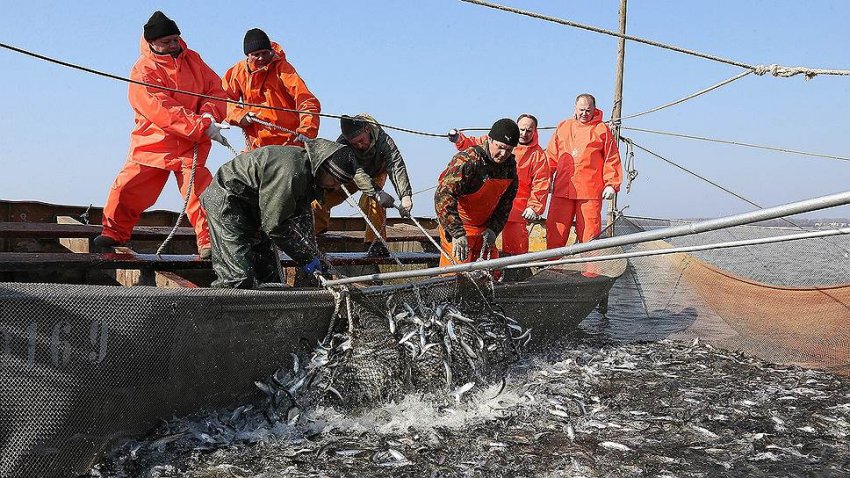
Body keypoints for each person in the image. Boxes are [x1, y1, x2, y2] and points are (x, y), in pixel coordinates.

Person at [93, 11, 228, 259]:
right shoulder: (142, 70)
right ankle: (113, 233)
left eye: (176, 39)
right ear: (152, 43)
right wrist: (200, 124)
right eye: (167, 41)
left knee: (201, 192)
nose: (174, 45)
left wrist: (209, 115)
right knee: (127, 188)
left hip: (191, 144)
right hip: (154, 142)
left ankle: (209, 242)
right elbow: (160, 108)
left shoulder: (194, 60)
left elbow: (215, 91)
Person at [201, 139, 357, 289]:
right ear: (324, 168)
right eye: (336, 181)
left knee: (270, 276)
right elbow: (274, 226)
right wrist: (305, 258)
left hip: (256, 209)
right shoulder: (291, 173)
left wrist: (314, 256)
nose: (336, 188)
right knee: (239, 277)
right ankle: (221, 311)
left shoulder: (312, 179)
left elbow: (302, 221)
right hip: (228, 201)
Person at [448, 114, 549, 257]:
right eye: (521, 129)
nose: (524, 134)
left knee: (516, 251)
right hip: (489, 207)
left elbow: (541, 182)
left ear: (535, 131)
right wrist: (459, 139)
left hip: (517, 210)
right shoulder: (497, 138)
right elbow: (475, 144)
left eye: (529, 131)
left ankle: (514, 276)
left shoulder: (538, 155)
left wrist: (534, 207)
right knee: (477, 249)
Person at [312, 114, 413, 256]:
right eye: (354, 144)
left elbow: (396, 166)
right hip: (352, 174)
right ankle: (315, 232)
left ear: (367, 129)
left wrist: (405, 195)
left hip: (376, 174)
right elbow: (356, 172)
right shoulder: (342, 143)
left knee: (375, 201)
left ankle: (376, 242)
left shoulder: (384, 141)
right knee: (320, 199)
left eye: (361, 140)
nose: (359, 145)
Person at [435, 118, 519, 268]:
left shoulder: (510, 168)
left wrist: (494, 229)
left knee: (491, 272)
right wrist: (457, 233)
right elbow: (443, 196)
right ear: (490, 139)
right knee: (456, 275)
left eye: (509, 150)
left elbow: (506, 204)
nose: (503, 153)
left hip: (484, 229)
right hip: (460, 226)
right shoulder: (468, 161)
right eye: (500, 147)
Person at [222, 28, 321, 150]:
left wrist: (307, 129)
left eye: (264, 53)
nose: (261, 58)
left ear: (270, 51)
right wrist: (240, 116)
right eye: (256, 55)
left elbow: (306, 100)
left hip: (290, 144)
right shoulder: (237, 72)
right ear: (248, 55)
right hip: (256, 148)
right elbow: (222, 100)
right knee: (232, 169)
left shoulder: (283, 69)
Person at [545, 94, 622, 249]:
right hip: (562, 189)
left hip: (590, 192)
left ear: (594, 109)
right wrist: (546, 180)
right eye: (581, 110)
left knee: (589, 236)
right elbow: (550, 157)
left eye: (588, 110)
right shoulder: (563, 126)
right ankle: (551, 271)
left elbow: (611, 157)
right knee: (555, 233)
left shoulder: (602, 130)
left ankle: (591, 272)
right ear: (575, 108)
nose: (584, 113)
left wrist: (611, 184)